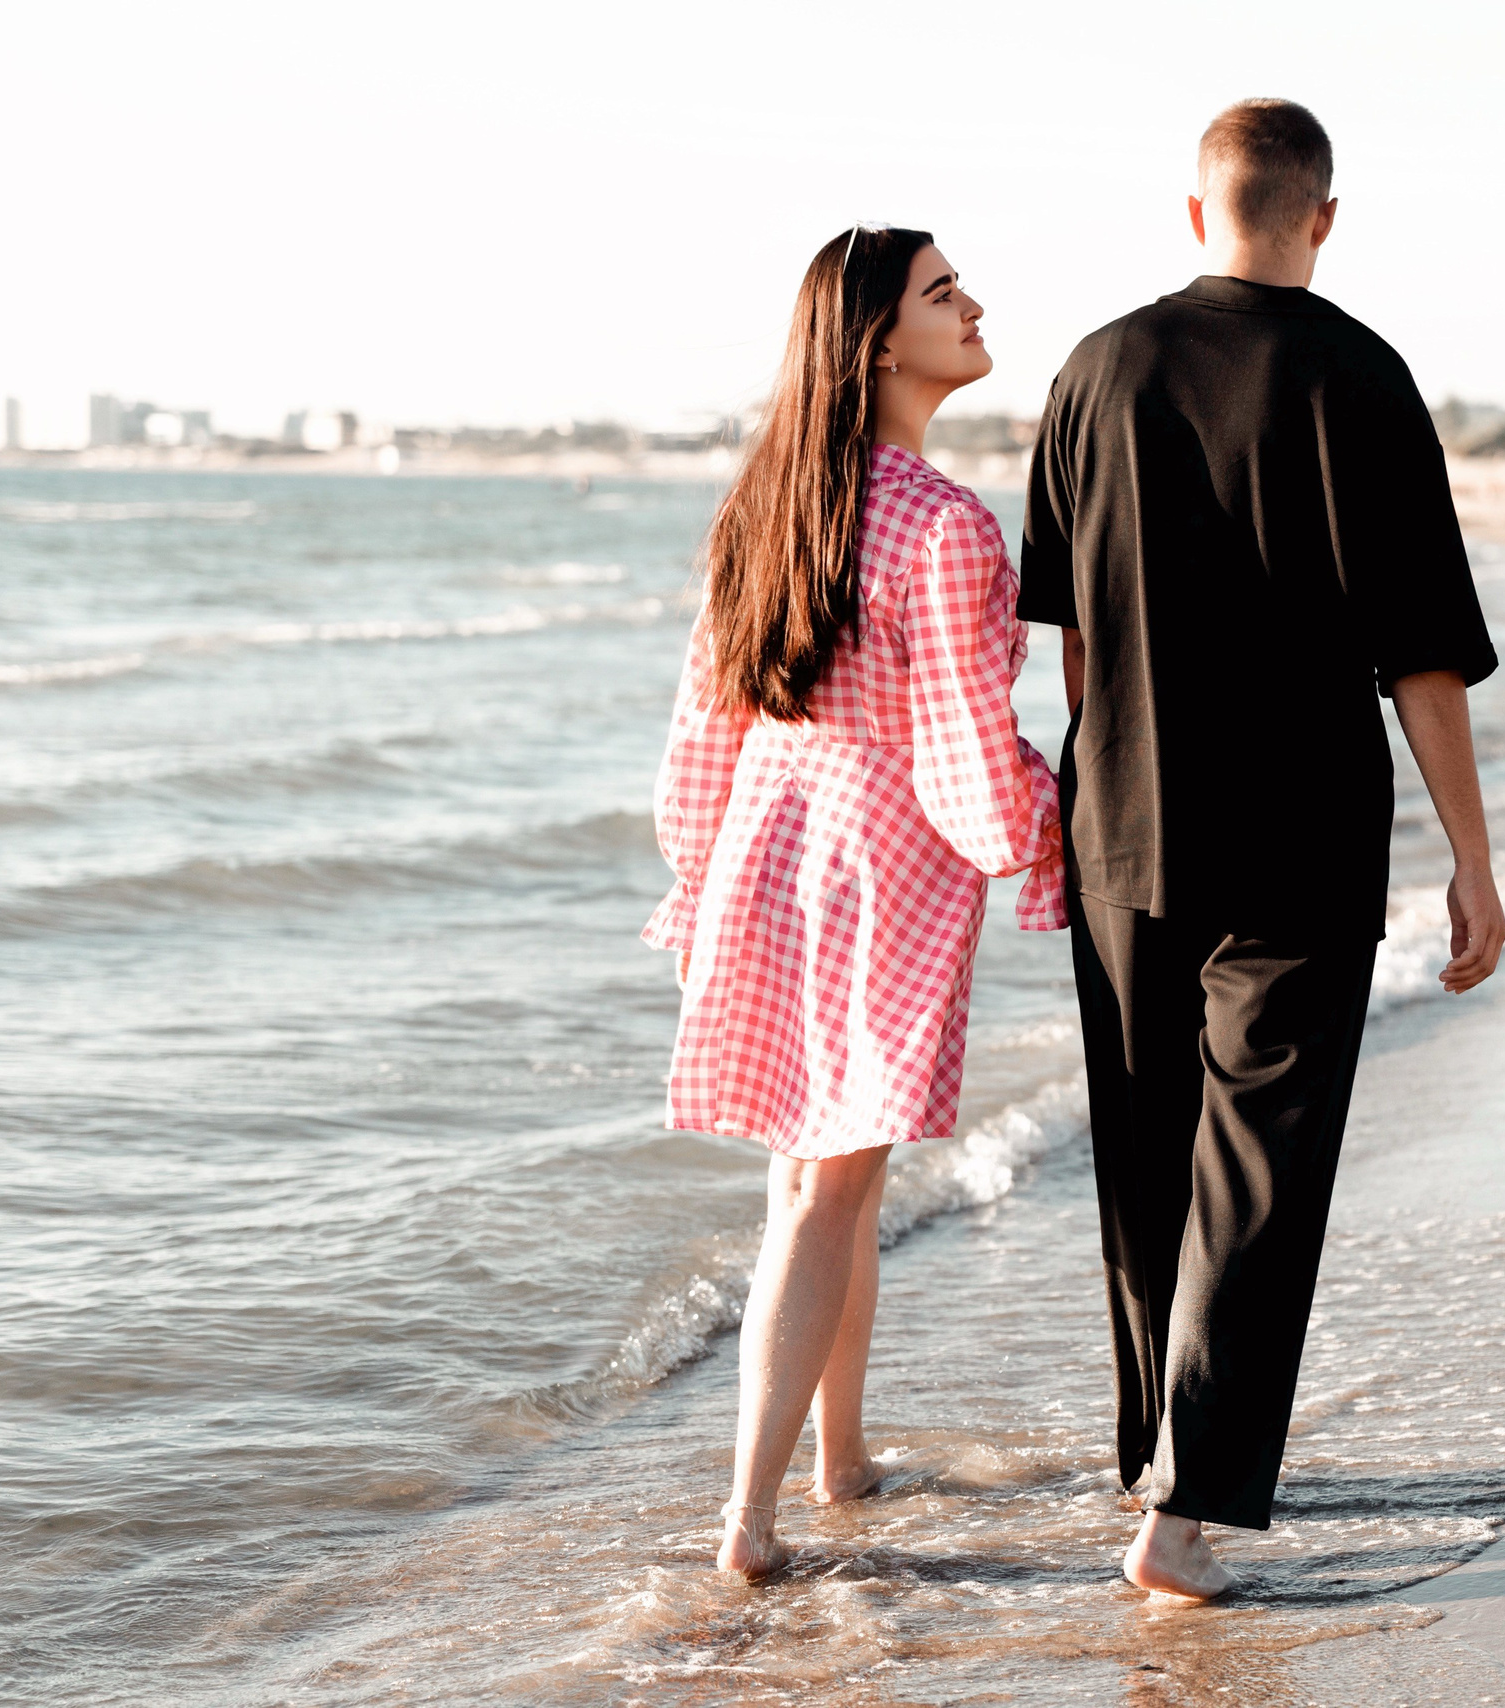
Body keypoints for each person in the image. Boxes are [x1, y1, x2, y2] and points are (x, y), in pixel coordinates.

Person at [1018, 98, 1505, 1601]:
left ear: (1195, 214)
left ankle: (1158, 1455)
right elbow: (1421, 660)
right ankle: (1185, 1502)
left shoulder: (1095, 371)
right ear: (1324, 216)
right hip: (1301, 832)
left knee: (1146, 1155)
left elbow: (1080, 646)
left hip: (1123, 818)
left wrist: (1095, 795)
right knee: (1263, 1166)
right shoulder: (1363, 378)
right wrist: (1472, 861)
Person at [642, 225, 1065, 1582]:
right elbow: (959, 753)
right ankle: (750, 1525)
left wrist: (695, 874)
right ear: (881, 340)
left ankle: (838, 1463)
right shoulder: (941, 526)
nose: (976, 306)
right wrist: (1047, 832)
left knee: (827, 1177)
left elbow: (704, 724)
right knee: (829, 1193)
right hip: (880, 862)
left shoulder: (761, 501)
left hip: (765, 840)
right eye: (947, 293)